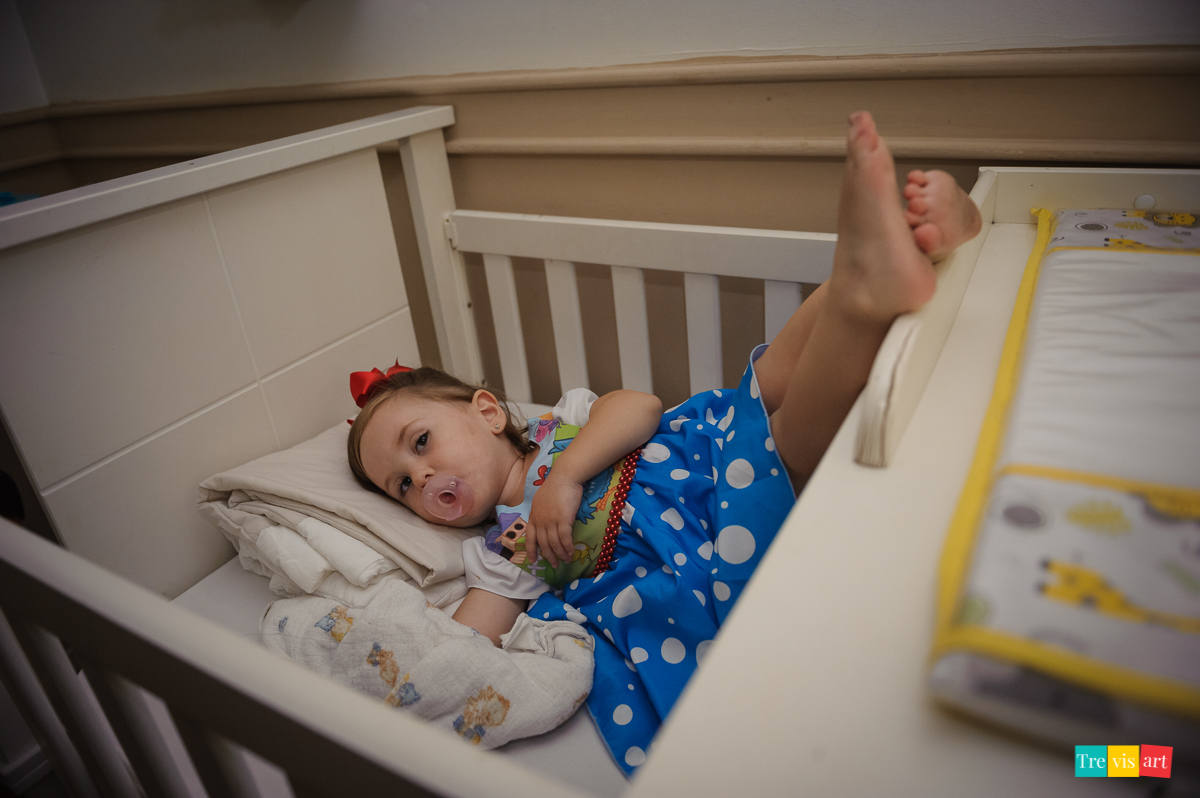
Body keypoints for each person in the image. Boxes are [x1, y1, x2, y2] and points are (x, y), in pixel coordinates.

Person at [346, 111, 981, 774]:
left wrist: (563, 479)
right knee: (783, 444)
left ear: (484, 411)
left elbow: (643, 408)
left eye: (420, 443)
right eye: (402, 485)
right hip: (703, 531)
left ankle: (902, 250)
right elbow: (463, 647)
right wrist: (389, 653)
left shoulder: (564, 420)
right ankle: (863, 292)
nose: (423, 479)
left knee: (772, 375)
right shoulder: (498, 558)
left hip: (695, 447)